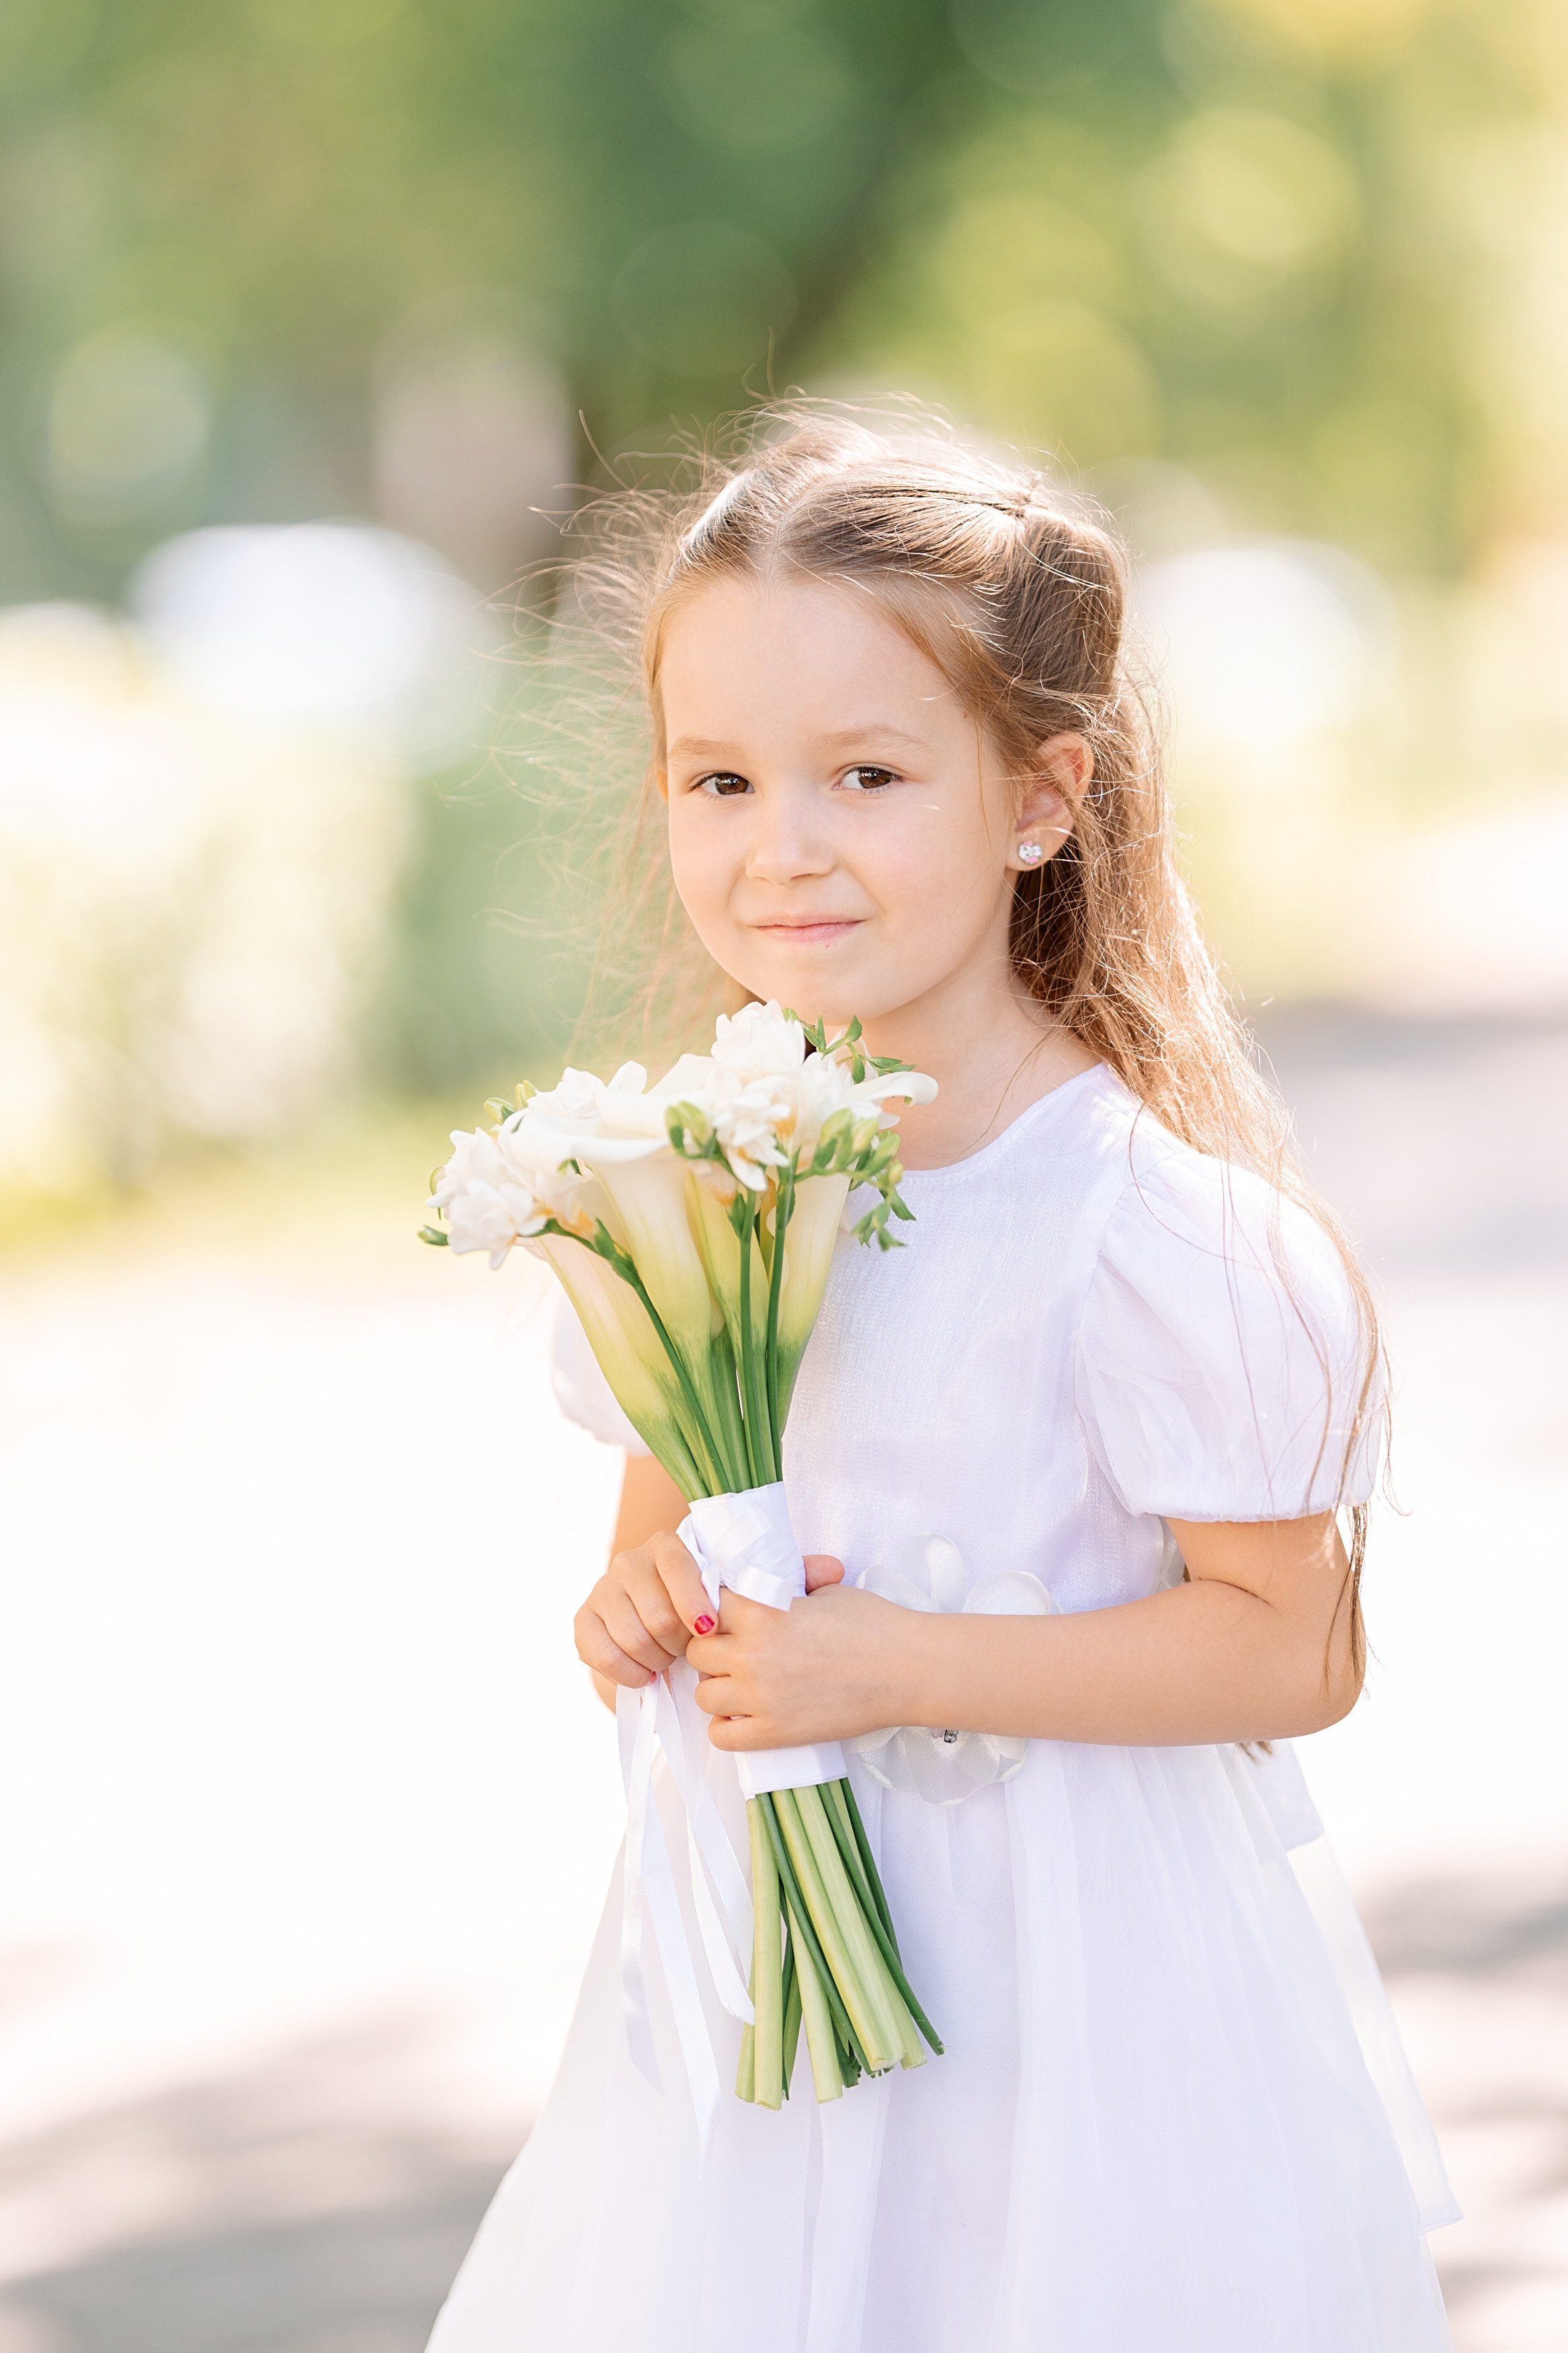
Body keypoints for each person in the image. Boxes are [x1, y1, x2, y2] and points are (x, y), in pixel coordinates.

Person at [425, 411, 1456, 2352]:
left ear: (1039, 799)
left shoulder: (1151, 1231)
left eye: (868, 774)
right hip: (760, 2026)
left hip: (1074, 2008)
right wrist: (640, 1601)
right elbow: (670, 1542)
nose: (780, 845)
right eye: (718, 777)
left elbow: (1288, 1648)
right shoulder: (698, 1190)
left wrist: (903, 1664)